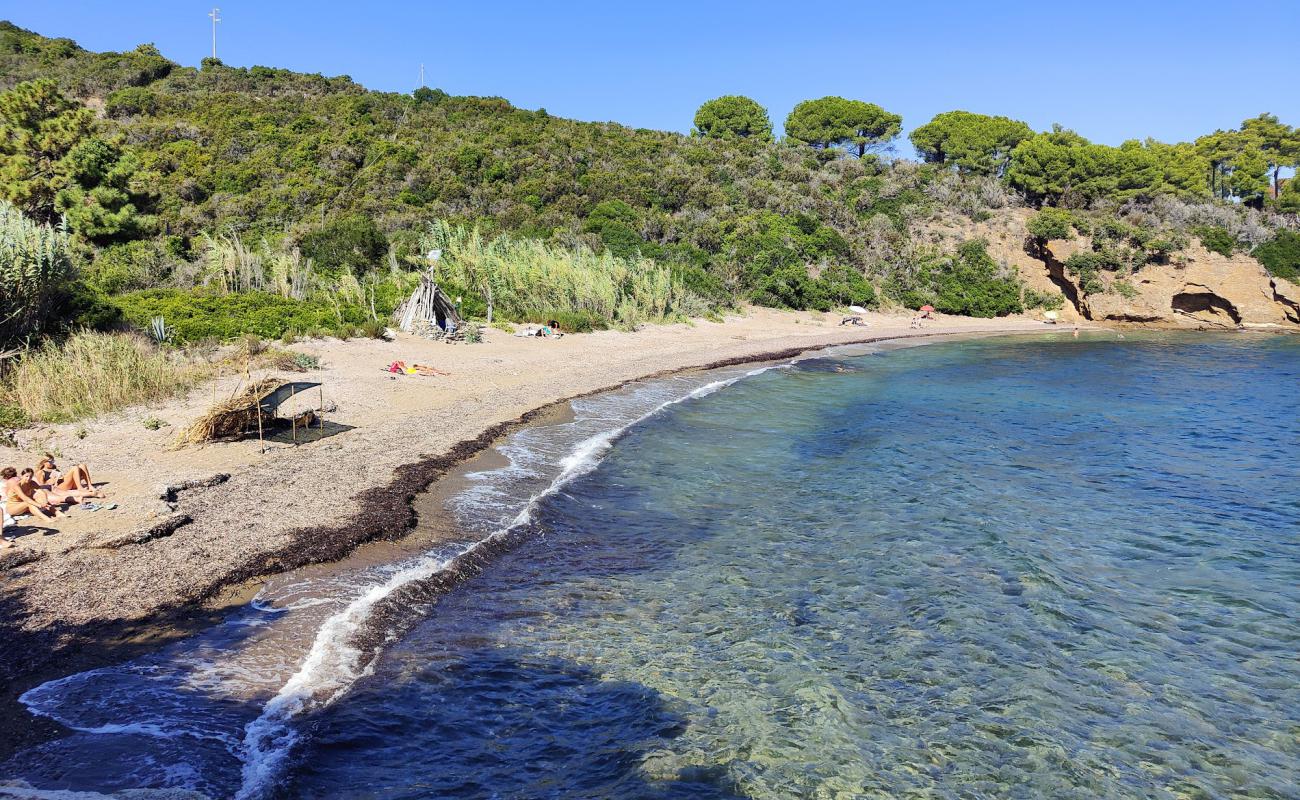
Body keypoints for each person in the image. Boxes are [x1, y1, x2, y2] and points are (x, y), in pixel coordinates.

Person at [36, 455, 103, 498]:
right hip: (57, 487)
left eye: (53, 461)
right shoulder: (41, 472)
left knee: (82, 466)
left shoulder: (54, 468)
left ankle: (90, 485)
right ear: (44, 462)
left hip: (62, 482)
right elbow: (41, 486)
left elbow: (60, 476)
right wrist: (49, 482)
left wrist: (59, 477)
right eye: (50, 461)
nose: (52, 463)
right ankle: (80, 487)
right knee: (75, 468)